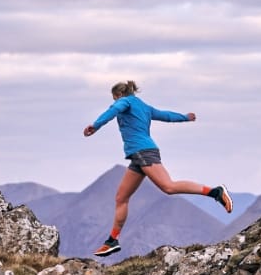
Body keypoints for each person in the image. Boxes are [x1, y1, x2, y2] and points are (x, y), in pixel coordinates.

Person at [83, 80, 232, 257]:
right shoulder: (144, 106)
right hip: (138, 156)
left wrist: (96, 125)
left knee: (168, 186)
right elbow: (166, 115)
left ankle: (215, 192)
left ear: (118, 95)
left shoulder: (125, 102)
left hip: (143, 152)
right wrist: (185, 117)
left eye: (114, 99)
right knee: (121, 197)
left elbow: (113, 110)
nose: (115, 102)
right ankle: (112, 241)